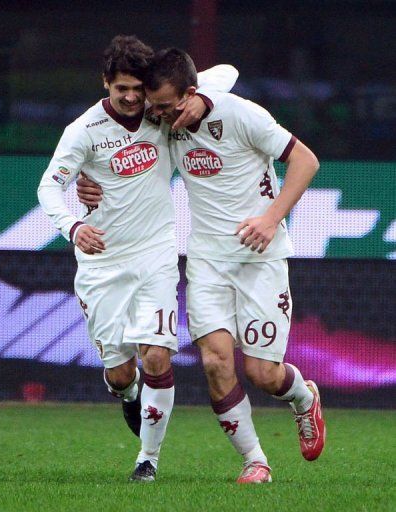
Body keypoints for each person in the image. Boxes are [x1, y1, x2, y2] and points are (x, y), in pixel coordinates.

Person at [37, 35, 238, 483]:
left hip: (156, 255)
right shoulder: (83, 131)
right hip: (102, 265)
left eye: (137, 89)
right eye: (120, 88)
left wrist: (200, 98)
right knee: (121, 372)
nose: (130, 98)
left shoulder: (158, 110)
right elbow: (48, 187)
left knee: (157, 358)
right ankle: (127, 396)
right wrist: (74, 225)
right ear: (105, 82)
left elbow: (227, 73)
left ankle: (147, 461)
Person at [142, 49, 326, 484]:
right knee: (215, 362)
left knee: (262, 373)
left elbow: (307, 161)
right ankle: (254, 460)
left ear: (191, 93)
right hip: (206, 259)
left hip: (261, 258)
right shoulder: (163, 120)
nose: (161, 116)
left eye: (168, 107)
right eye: (156, 107)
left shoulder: (242, 115)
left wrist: (270, 218)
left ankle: (304, 397)